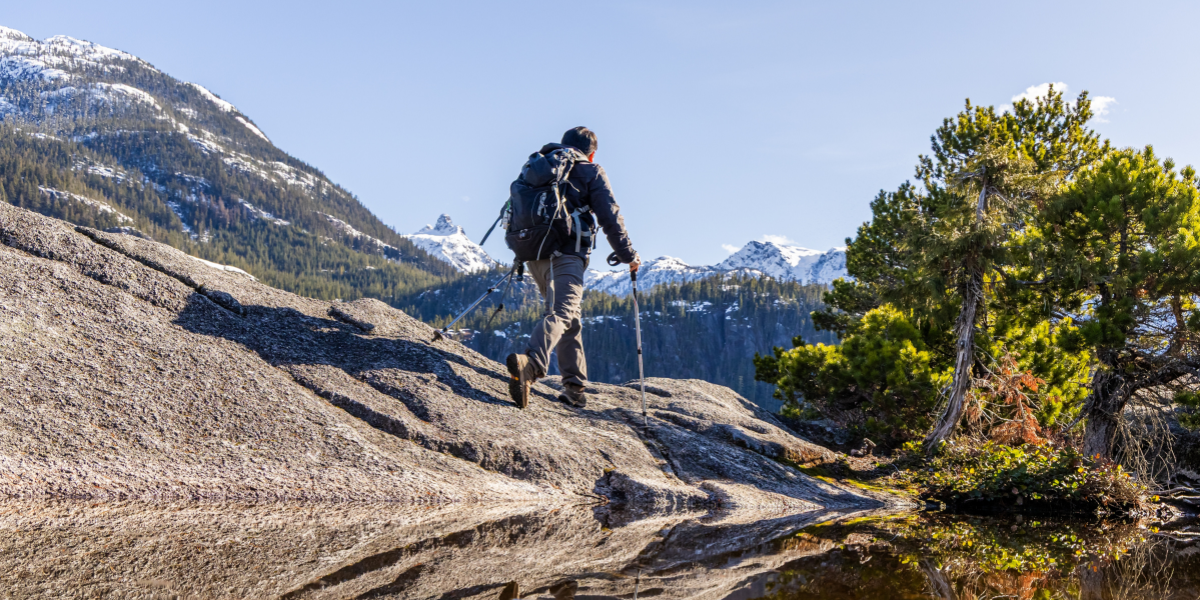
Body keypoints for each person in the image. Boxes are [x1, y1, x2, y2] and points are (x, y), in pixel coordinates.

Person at [506, 127, 639, 409]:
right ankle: (530, 365)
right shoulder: (590, 170)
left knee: (570, 317)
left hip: (534, 253)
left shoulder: (539, 166)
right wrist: (628, 255)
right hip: (567, 253)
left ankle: (574, 387)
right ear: (591, 152)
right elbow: (610, 217)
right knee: (563, 312)